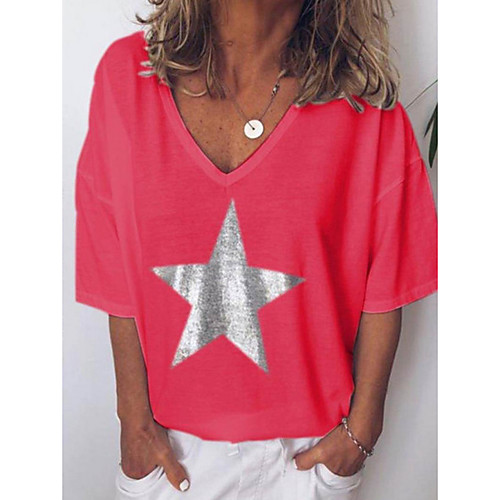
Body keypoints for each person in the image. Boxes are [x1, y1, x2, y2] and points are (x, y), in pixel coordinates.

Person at [74, 1, 438, 499]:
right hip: (170, 456)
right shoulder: (126, 76)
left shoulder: (365, 106)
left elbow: (388, 283)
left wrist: (361, 433)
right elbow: (111, 260)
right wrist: (132, 419)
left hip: (310, 458)